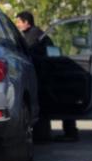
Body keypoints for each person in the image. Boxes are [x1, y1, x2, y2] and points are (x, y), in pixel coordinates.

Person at [13, 11, 75, 141]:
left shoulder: (33, 35)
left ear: (26, 22)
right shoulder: (36, 34)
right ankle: (59, 133)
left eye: (19, 22)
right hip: (46, 74)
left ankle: (49, 136)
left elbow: (28, 54)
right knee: (49, 106)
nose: (17, 25)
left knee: (44, 106)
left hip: (44, 75)